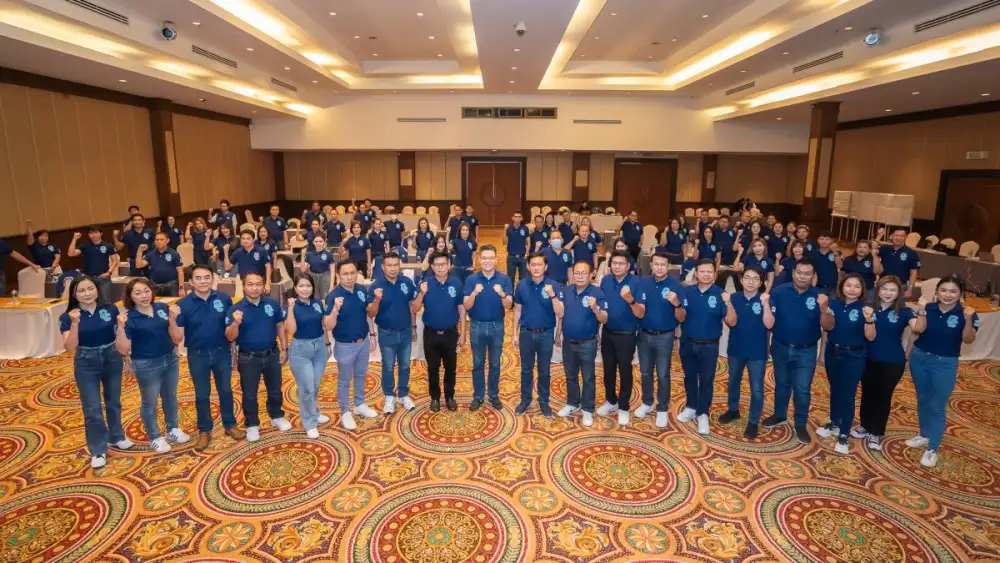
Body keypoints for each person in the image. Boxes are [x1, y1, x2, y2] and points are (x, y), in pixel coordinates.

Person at [60, 276, 132, 468]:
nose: (87, 294)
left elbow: (120, 335)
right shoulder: (68, 317)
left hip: (112, 357)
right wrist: (74, 323)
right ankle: (98, 449)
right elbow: (70, 347)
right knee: (92, 408)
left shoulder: (110, 309)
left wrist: (126, 358)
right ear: (74, 294)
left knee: (114, 402)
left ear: (97, 290)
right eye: (81, 291)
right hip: (86, 361)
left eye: (90, 289)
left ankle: (116, 436)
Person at [907, 275, 979, 467]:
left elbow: (969, 339)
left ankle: (933, 448)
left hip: (945, 364)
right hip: (920, 358)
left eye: (953, 291)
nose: (947, 295)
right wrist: (908, 355)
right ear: (937, 291)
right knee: (922, 399)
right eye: (943, 290)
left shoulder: (967, 313)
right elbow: (916, 333)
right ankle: (924, 435)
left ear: (960, 294)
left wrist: (968, 320)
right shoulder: (928, 308)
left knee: (937, 405)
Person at [173, 265, 243, 451]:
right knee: (202, 394)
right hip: (197, 355)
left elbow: (230, 327)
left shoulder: (224, 298)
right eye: (198, 278)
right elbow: (177, 337)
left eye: (206, 277)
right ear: (191, 281)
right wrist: (172, 319)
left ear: (212, 279)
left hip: (222, 352)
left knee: (225, 390)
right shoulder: (183, 304)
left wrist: (233, 352)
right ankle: (204, 430)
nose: (203, 281)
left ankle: (230, 424)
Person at [115, 278, 189, 453]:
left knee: (170, 397)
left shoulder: (162, 308)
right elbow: (123, 349)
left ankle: (172, 428)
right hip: (146, 364)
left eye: (146, 291)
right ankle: (155, 437)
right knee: (150, 402)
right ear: (130, 296)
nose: (144, 296)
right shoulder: (129, 318)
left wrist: (172, 319)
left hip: (170, 359)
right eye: (138, 293)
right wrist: (120, 327)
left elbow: (176, 337)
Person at [763, 259, 833, 443]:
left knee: (802, 388)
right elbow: (769, 320)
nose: (802, 277)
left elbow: (828, 326)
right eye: (799, 272)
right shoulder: (779, 292)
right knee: (781, 384)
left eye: (807, 273)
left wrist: (824, 309)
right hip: (780, 346)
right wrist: (767, 343)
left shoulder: (820, 297)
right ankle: (780, 415)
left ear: (813, 276)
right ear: (793, 273)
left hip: (806, 351)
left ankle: (800, 423)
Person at [855, 276, 924, 451]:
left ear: (898, 293)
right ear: (878, 289)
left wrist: (922, 314)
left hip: (892, 361)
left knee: (883, 396)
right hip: (867, 357)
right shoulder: (868, 307)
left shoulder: (904, 311)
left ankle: (876, 432)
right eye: (884, 289)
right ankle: (865, 425)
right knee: (867, 392)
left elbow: (917, 328)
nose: (888, 293)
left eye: (892, 290)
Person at [225, 272, 291, 442]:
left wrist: (284, 348)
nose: (254, 288)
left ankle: (276, 415)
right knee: (249, 393)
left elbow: (280, 326)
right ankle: (252, 424)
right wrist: (235, 323)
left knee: (275, 389)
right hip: (248, 357)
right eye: (250, 284)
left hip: (272, 353)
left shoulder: (272, 304)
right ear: (243, 286)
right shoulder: (235, 309)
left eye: (258, 284)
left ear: (263, 286)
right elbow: (230, 337)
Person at [816, 273, 876, 454]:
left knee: (848, 394)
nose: (852, 289)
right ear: (842, 287)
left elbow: (871, 336)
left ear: (862, 290)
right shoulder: (834, 305)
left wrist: (869, 319)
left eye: (857, 286)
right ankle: (834, 423)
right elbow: (827, 328)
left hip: (854, 355)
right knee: (835, 389)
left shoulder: (866, 309)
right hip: (833, 351)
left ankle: (844, 434)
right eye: (848, 285)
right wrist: (822, 352)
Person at [676, 260, 734, 434]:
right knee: (689, 377)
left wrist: (729, 303)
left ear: (715, 274)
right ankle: (691, 406)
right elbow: (679, 317)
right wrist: (677, 337)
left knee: (707, 380)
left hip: (709, 346)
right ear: (696, 273)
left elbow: (731, 321)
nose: (706, 274)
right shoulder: (687, 292)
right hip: (688, 342)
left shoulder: (721, 294)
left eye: (709, 271)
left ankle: (703, 413)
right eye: (702, 271)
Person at [324, 261, 379, 430]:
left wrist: (372, 334)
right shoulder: (333, 296)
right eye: (345, 274)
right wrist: (335, 309)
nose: (349, 277)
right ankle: (345, 411)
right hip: (345, 345)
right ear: (338, 276)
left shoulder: (361, 289)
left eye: (352, 273)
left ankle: (359, 404)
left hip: (363, 341)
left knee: (361, 374)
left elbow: (367, 315)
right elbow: (328, 325)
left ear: (357, 274)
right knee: (344, 380)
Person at [412, 251, 467, 412]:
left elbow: (462, 309)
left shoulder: (456, 283)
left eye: (443, 264)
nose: (440, 267)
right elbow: (415, 308)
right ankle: (435, 397)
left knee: (451, 368)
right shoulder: (426, 284)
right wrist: (422, 293)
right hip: (431, 334)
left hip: (450, 334)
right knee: (432, 368)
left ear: (449, 265)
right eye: (437, 265)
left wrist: (463, 334)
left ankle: (449, 396)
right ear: (432, 267)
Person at [720, 266, 770, 438]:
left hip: (757, 351)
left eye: (755, 279)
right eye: (747, 278)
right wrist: (728, 303)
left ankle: (753, 421)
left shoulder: (765, 299)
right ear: (741, 280)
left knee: (756, 388)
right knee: (733, 380)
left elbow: (769, 324)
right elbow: (730, 322)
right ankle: (733, 409)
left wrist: (766, 304)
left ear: (761, 282)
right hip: (736, 348)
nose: (750, 282)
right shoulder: (734, 298)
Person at [635, 252, 683, 429]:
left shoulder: (676, 286)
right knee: (645, 371)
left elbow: (682, 317)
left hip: (665, 336)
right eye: (656, 264)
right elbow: (639, 309)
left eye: (663, 264)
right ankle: (647, 402)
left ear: (668, 266)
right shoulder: (643, 283)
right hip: (644, 334)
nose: (659, 267)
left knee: (663, 373)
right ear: (651, 265)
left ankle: (662, 407)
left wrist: (676, 303)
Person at [513, 252, 564, 416]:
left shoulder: (553, 285)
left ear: (545, 267)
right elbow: (518, 310)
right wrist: (514, 333)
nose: (536, 268)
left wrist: (553, 295)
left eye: (540, 264)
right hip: (526, 333)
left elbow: (560, 313)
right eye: (533, 264)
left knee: (544, 370)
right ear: (528, 266)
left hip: (545, 334)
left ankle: (544, 401)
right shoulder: (521, 285)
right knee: (526, 369)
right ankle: (525, 400)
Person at [597, 250, 644, 426]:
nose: (617, 266)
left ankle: (623, 406)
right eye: (614, 263)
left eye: (621, 263)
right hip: (608, 332)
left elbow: (641, 313)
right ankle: (611, 400)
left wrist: (630, 299)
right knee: (608, 369)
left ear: (628, 265)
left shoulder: (636, 282)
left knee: (625, 371)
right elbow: (600, 306)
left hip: (627, 335)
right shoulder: (606, 280)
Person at [368, 252, 419, 414]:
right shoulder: (376, 286)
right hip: (386, 333)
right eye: (389, 265)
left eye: (396, 265)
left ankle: (403, 394)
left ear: (399, 266)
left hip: (405, 331)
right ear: (383, 267)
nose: (393, 268)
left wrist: (413, 327)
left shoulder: (407, 282)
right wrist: (377, 299)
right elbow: (371, 313)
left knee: (405, 365)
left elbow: (412, 307)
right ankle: (389, 395)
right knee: (388, 366)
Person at [558, 260, 607, 426]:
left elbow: (604, 319)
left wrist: (595, 308)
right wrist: (558, 334)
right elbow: (561, 315)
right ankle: (572, 403)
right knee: (570, 374)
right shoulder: (567, 290)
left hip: (587, 342)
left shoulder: (597, 292)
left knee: (588, 377)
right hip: (568, 341)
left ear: (591, 274)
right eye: (577, 273)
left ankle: (587, 409)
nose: (580, 276)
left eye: (584, 273)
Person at [464, 245, 513, 410]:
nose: (487, 261)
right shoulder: (471, 280)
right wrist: (473, 293)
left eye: (491, 258)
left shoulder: (504, 279)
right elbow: (466, 305)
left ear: (496, 259)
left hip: (497, 326)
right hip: (476, 325)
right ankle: (478, 396)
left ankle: (493, 394)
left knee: (495, 363)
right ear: (479, 259)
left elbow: (509, 305)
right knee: (478, 363)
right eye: (484, 258)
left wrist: (502, 294)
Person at [284, 274, 330, 439]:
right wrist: (290, 308)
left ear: (313, 287)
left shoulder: (317, 302)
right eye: (301, 286)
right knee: (307, 387)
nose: (305, 289)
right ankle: (309, 423)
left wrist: (327, 343)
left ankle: (314, 412)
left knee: (315, 385)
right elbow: (291, 330)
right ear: (295, 288)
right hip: (300, 350)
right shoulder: (292, 306)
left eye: (308, 286)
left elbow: (323, 325)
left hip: (319, 347)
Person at [66, 227, 118, 303]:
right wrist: (74, 239)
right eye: (91, 233)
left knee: (106, 301)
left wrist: (109, 273)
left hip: (104, 278)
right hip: (88, 279)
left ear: (101, 233)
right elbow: (71, 254)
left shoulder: (108, 245)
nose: (94, 235)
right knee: (91, 301)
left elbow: (115, 261)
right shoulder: (84, 246)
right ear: (88, 235)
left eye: (96, 232)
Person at [135, 232, 185, 297]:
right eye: (157, 240)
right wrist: (140, 251)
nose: (159, 242)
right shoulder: (151, 254)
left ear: (167, 241)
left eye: (162, 239)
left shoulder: (174, 254)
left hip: (172, 287)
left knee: (173, 303)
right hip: (155, 287)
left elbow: (180, 272)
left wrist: (181, 288)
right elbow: (139, 265)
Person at [876, 228, 920, 296]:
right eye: (896, 235)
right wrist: (879, 236)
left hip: (901, 286)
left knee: (898, 303)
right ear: (891, 236)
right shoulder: (885, 248)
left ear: (906, 237)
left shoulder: (911, 253)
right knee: (879, 302)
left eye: (902, 236)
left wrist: (910, 289)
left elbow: (913, 272)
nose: (898, 238)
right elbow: (871, 249)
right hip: (883, 283)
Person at [226, 229, 272, 294]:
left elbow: (268, 266)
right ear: (240, 240)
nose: (245, 241)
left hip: (258, 282)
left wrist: (267, 283)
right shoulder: (238, 252)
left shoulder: (261, 251)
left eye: (248, 238)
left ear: (253, 240)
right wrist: (225, 253)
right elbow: (227, 267)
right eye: (243, 238)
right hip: (243, 283)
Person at [300, 233, 335, 299]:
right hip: (313, 277)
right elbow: (303, 270)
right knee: (314, 298)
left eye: (320, 241)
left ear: (324, 242)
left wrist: (332, 285)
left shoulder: (329, 254)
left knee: (325, 297)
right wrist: (302, 256)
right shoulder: (309, 254)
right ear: (313, 242)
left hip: (325, 277)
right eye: (316, 241)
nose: (318, 243)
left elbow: (333, 271)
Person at [810, 231, 842, 297]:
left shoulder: (837, 253)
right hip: (818, 287)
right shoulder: (813, 254)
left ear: (832, 241)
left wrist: (835, 251)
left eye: (827, 239)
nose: (824, 241)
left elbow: (840, 266)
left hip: (833, 287)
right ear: (818, 240)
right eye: (822, 239)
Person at [504, 212, 530, 286]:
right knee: (510, 279)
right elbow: (504, 242)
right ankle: (510, 293)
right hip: (511, 257)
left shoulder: (525, 228)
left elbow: (528, 243)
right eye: (516, 216)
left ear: (522, 218)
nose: (517, 218)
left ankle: (521, 293)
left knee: (523, 279)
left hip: (522, 257)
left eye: (519, 217)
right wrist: (505, 230)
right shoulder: (508, 228)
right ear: (512, 218)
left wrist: (526, 254)